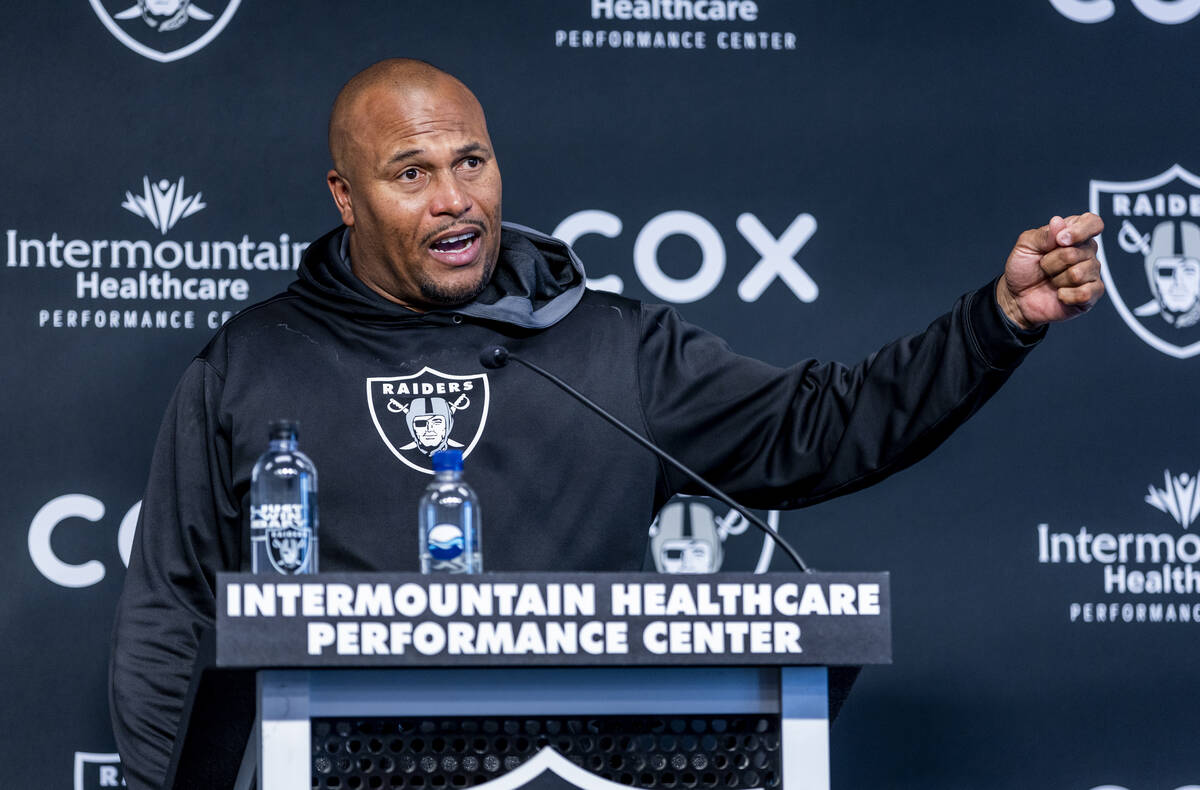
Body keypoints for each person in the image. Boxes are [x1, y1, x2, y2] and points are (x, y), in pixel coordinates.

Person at [109, 58, 1104, 789]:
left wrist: (1000, 320)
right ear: (346, 195)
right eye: (411, 173)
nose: (456, 199)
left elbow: (825, 426)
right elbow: (172, 612)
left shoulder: (610, 346)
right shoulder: (250, 362)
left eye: (473, 162)